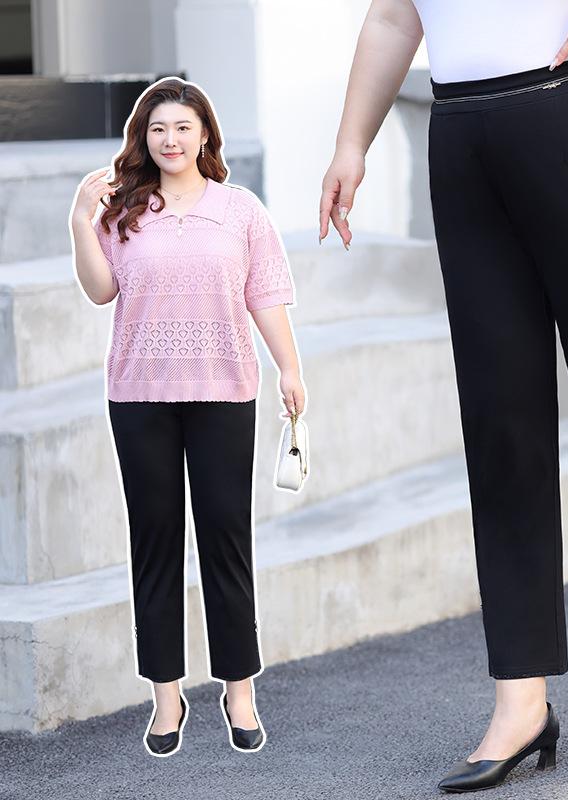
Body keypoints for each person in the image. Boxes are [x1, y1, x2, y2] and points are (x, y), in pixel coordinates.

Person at [319, 0, 568, 790]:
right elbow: (393, 18)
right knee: (501, 426)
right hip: (462, 141)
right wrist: (350, 144)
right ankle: (520, 699)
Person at [70, 77, 305, 756]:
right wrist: (80, 221)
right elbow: (100, 290)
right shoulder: (123, 211)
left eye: (181, 127)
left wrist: (290, 368)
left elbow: (265, 294)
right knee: (155, 541)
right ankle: (167, 698)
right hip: (139, 395)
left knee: (226, 539)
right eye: (157, 129)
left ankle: (239, 690)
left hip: (224, 391)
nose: (169, 140)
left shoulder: (240, 211)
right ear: (142, 139)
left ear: (204, 135)